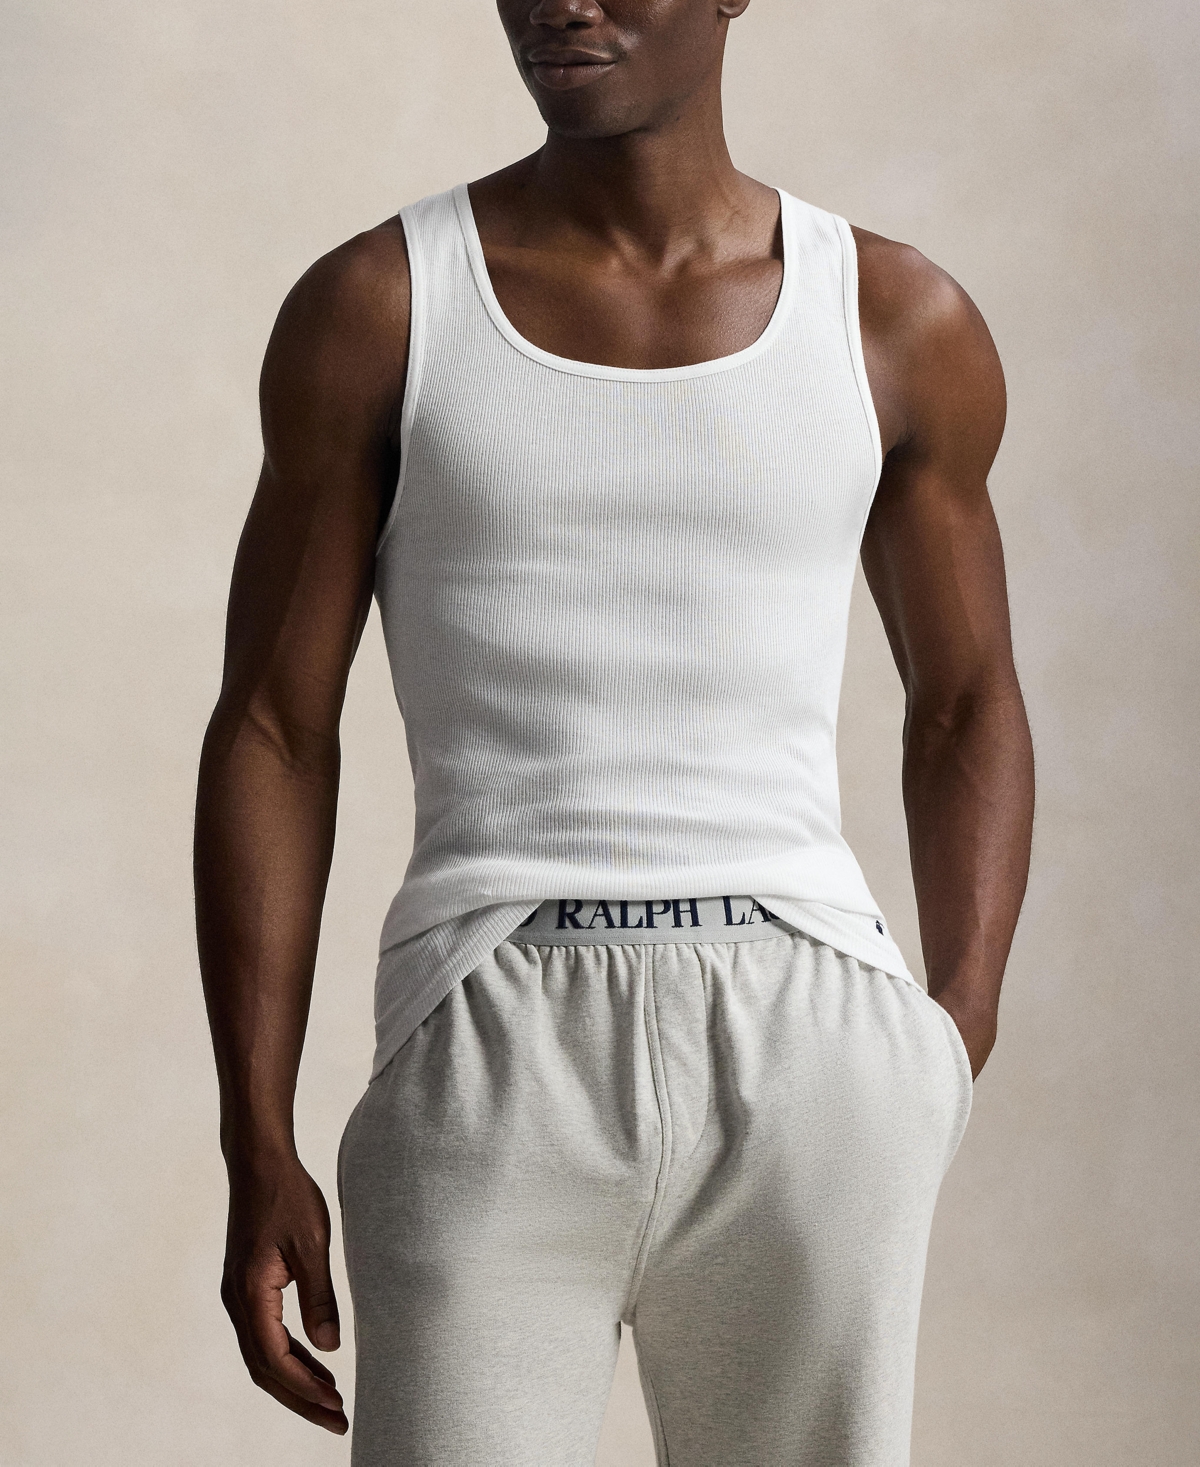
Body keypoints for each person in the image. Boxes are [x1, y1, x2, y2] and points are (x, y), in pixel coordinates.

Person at [194, 1, 1035, 1462]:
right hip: (490, 1023)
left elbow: (967, 700)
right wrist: (252, 1132)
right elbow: (273, 724)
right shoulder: (383, 305)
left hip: (811, 1038)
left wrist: (950, 1031)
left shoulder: (894, 318)